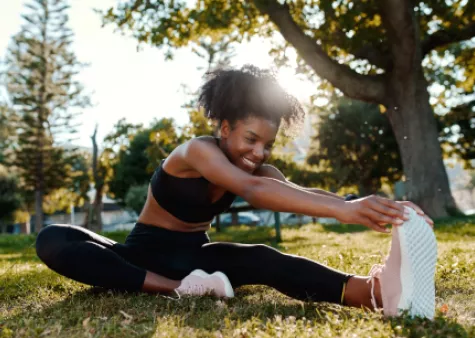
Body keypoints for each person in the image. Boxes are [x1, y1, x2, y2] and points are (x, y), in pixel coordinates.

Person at [36, 65, 437, 318]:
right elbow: (250, 189)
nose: (257, 152)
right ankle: (177, 290)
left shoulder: (262, 169)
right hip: (141, 257)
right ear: (224, 127)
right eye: (250, 138)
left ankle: (374, 293)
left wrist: (369, 205)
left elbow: (296, 190)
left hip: (200, 261)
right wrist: (344, 213)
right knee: (53, 238)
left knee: (263, 258)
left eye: (266, 144)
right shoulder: (196, 151)